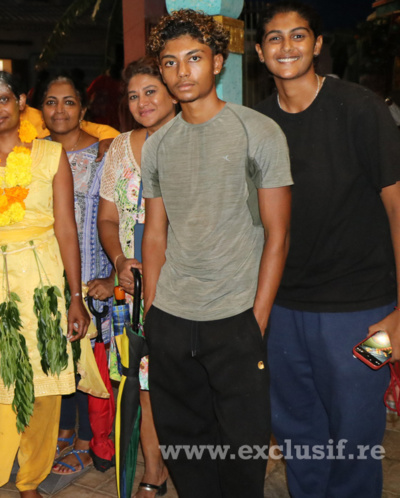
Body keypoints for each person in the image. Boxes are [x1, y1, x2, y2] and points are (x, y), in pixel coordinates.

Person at [142, 10, 292, 497]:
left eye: (194, 58)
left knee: (242, 449)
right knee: (184, 443)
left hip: (235, 316)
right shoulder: (158, 144)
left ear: (218, 62)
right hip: (171, 315)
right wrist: (151, 312)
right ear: (160, 71)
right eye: (170, 62)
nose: (182, 72)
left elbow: (278, 232)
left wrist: (258, 318)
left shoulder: (259, 132)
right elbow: (156, 233)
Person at [254, 3, 400, 496]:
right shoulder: (258, 125)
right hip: (285, 311)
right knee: (297, 433)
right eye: (275, 38)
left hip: (367, 312)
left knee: (357, 437)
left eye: (298, 36)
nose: (287, 47)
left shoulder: (361, 109)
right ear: (259, 51)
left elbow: (399, 209)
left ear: (317, 44)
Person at [0, 70, 91, 497]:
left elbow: (66, 228)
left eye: (4, 101)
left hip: (43, 280)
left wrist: (76, 297)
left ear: (22, 102)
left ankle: (30, 478)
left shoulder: (50, 156)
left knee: (44, 384)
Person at [97, 57, 177, 497]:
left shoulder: (193, 139)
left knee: (182, 386)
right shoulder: (120, 148)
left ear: (171, 91)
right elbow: (108, 219)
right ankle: (153, 471)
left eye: (151, 91)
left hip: (185, 288)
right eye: (133, 95)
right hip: (134, 289)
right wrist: (119, 262)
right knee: (142, 384)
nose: (142, 102)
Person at [39, 71, 115, 475]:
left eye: (69, 102)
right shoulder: (31, 154)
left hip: (91, 273)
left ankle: (88, 439)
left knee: (89, 359)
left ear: (83, 109)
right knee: (58, 353)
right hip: (44, 273)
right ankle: (66, 429)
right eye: (51, 102)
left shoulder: (106, 152)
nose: (60, 110)